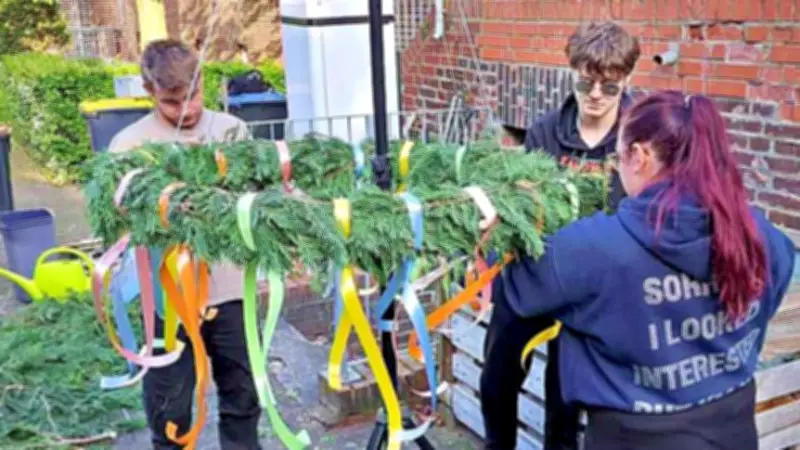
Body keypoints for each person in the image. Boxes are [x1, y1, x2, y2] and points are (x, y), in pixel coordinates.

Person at [484, 89, 796, 450]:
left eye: (617, 155)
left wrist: (500, 230)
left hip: (632, 438)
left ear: (640, 155)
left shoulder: (589, 250)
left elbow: (516, 287)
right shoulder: (763, 235)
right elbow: (772, 291)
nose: (616, 166)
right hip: (732, 430)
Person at [480, 21, 641, 449]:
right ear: (572, 73)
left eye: (610, 87)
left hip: (592, 289)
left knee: (565, 399)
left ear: (627, 80)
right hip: (536, 273)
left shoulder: (638, 139)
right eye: (586, 83)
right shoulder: (546, 132)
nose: (595, 96)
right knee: (496, 378)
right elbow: (522, 201)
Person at [109, 39, 261, 450]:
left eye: (193, 96)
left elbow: (254, 200)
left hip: (230, 290)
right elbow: (119, 220)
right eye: (173, 103)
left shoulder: (232, 131)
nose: (188, 110)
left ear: (203, 81)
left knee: (244, 394)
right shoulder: (129, 146)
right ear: (149, 90)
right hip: (167, 299)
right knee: (170, 406)